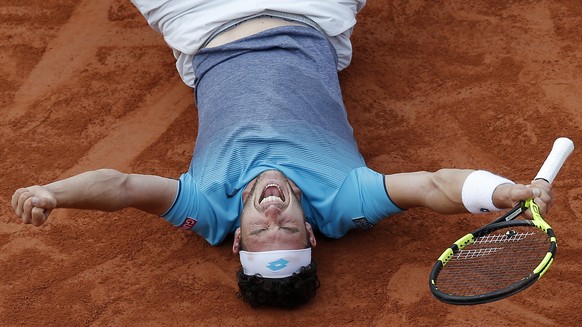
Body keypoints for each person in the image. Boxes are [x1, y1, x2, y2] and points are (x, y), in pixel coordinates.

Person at [11, 1, 554, 309]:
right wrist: (501, 191)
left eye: (261, 230)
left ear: (237, 240)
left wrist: (53, 193)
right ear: (312, 235)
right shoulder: (346, 203)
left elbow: (123, 188)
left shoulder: (206, 209)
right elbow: (435, 186)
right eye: (289, 231)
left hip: (201, 21)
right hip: (311, 13)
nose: (273, 213)